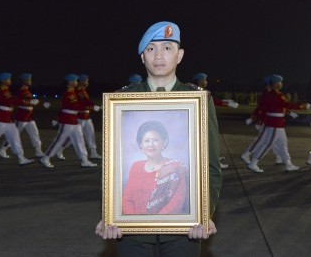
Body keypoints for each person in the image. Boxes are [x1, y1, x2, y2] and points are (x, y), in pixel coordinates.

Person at [95, 21, 222, 256]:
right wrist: (109, 214)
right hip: (132, 232)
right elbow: (109, 170)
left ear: (179, 55)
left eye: (167, 48)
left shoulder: (198, 100)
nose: (159, 55)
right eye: (151, 49)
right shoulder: (122, 101)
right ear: (143, 57)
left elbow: (211, 167)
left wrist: (205, 213)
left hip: (183, 230)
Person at [245, 74, 308, 173]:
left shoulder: (273, 94)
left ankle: (288, 163)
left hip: (277, 124)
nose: (280, 84)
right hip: (275, 124)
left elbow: (277, 107)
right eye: (279, 82)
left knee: (283, 144)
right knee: (267, 144)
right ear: (274, 84)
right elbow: (287, 104)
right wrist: (301, 106)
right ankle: (253, 163)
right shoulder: (277, 95)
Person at [123, 120, 188, 215]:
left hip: (163, 224)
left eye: (155, 140)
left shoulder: (175, 167)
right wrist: (134, 222)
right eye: (146, 141)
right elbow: (127, 199)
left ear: (164, 142)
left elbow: (177, 202)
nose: (151, 145)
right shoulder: (136, 166)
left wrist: (153, 223)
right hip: (134, 225)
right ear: (141, 144)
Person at [39, 74, 96, 168]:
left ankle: (84, 159)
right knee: (60, 139)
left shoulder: (73, 92)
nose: (77, 82)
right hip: (67, 119)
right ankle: (45, 157)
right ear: (71, 82)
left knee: (79, 140)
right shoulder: (69, 93)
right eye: (76, 81)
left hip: (73, 119)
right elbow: (75, 106)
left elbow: (78, 105)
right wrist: (90, 106)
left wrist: (90, 106)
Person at [0, 73, 49, 159]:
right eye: (29, 80)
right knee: (15, 134)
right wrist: (33, 102)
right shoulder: (21, 91)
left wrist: (41, 104)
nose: (30, 81)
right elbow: (22, 101)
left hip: (29, 116)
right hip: (22, 116)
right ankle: (2, 148)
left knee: (35, 133)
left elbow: (30, 101)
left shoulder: (26, 90)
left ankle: (38, 150)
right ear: (24, 81)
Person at [242, 75, 284, 166]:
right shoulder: (267, 94)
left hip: (267, 120)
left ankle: (279, 157)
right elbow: (263, 108)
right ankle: (247, 154)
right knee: (263, 141)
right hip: (267, 121)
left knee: (274, 140)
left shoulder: (268, 93)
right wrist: (259, 120)